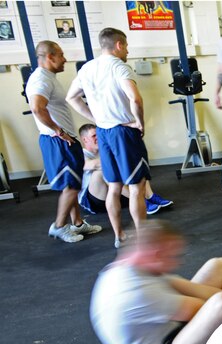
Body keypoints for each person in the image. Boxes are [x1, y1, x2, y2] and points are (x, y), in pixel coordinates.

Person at [90, 220, 222, 344]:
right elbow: (204, 308)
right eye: (174, 255)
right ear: (157, 254)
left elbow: (188, 289)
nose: (178, 262)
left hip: (168, 329)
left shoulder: (133, 266)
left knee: (218, 266)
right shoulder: (138, 290)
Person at [67, 27, 152, 249]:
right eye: (126, 46)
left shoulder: (87, 68)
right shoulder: (119, 66)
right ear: (119, 45)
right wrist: (139, 121)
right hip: (123, 132)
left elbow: (72, 98)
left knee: (113, 187)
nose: (127, 51)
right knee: (136, 188)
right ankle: (142, 240)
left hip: (104, 132)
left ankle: (119, 235)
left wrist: (96, 118)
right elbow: (135, 98)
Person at [26, 41, 102, 244]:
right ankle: (58, 226)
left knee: (74, 184)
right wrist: (58, 130)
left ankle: (77, 223)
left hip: (63, 139)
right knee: (69, 186)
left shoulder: (48, 78)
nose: (65, 59)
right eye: (60, 55)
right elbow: (37, 108)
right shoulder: (41, 79)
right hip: (57, 140)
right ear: (49, 57)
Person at [77, 123, 171, 216]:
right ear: (85, 139)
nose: (97, 137)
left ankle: (150, 196)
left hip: (116, 193)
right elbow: (92, 164)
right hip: (94, 200)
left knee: (136, 165)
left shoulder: (104, 149)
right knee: (103, 172)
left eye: (98, 134)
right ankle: (142, 202)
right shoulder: (81, 154)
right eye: (94, 136)